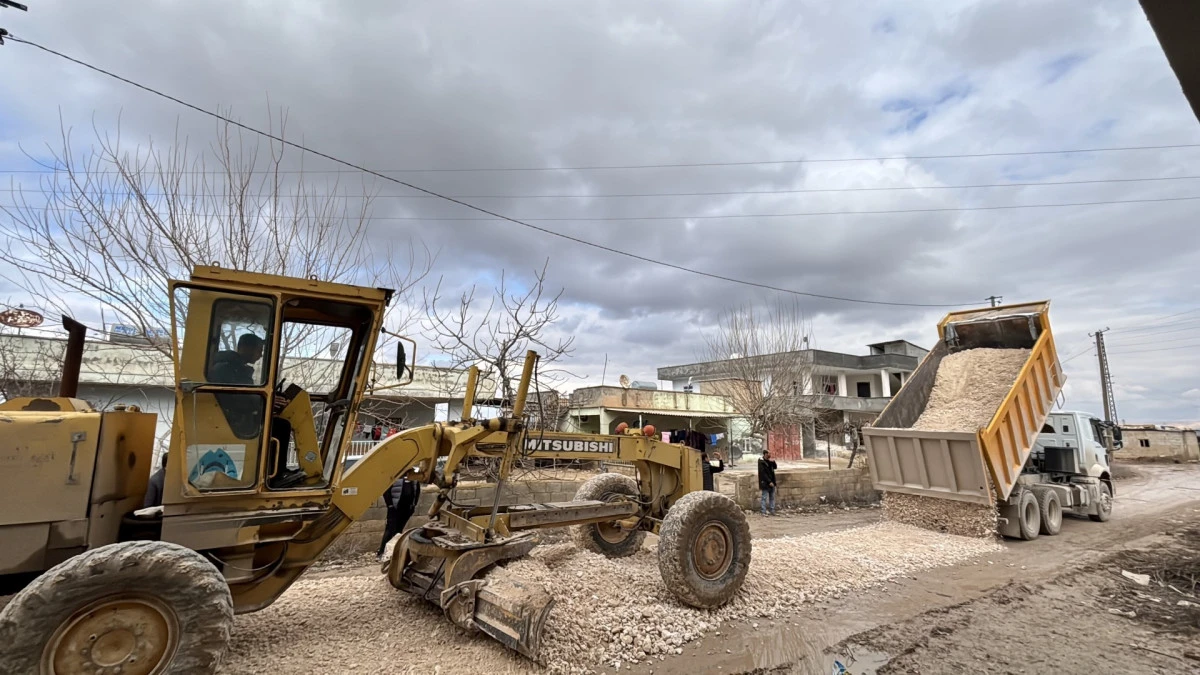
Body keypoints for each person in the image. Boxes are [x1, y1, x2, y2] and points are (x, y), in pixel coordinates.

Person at [378, 473, 421, 561]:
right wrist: (390, 505)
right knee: (390, 530)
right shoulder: (394, 476)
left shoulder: (414, 479)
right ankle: (381, 552)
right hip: (395, 508)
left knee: (399, 530)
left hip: (407, 508)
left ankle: (393, 552)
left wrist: (413, 505)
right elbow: (386, 490)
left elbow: (417, 492)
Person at [758, 450, 778, 516]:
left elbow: (775, 467)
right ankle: (763, 511)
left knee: (772, 497)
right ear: (765, 454)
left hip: (772, 481)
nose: (770, 454)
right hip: (765, 483)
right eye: (769, 453)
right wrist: (769, 482)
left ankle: (772, 510)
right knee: (764, 497)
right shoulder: (761, 462)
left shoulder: (770, 461)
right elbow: (763, 474)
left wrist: (773, 462)